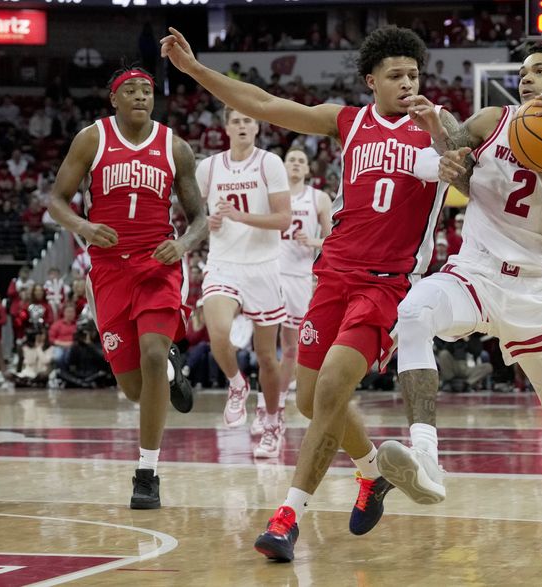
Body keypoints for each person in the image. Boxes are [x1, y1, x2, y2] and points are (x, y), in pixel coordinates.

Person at [161, 25, 452, 560]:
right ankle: (370, 475)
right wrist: (198, 72)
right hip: (334, 275)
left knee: (334, 390)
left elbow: (462, 160)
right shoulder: (350, 121)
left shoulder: (435, 124)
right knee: (309, 399)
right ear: (372, 81)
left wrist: (442, 135)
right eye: (396, 75)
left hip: (386, 285)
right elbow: (266, 103)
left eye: (414, 74)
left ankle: (286, 516)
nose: (408, 83)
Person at [375, 42, 542, 544]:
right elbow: (460, 163)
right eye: (523, 71)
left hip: (532, 288)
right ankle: (425, 455)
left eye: (540, 70)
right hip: (474, 269)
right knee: (415, 312)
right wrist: (440, 141)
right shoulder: (493, 118)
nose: (527, 77)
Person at [47, 65, 207, 509]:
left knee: (153, 353)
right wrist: (83, 225)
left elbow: (199, 219)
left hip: (158, 264)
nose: (140, 95)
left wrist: (184, 244)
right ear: (113, 98)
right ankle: (172, 373)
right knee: (136, 388)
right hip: (108, 269)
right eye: (130, 90)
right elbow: (57, 200)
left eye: (146, 90)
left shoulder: (175, 146)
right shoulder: (91, 139)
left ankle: (147, 472)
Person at [195, 106, 292, 459]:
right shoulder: (209, 167)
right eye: (235, 120)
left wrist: (239, 216)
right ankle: (237, 384)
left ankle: (271, 421)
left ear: (257, 127)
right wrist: (211, 221)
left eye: (247, 120)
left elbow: (283, 219)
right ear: (225, 127)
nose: (242, 125)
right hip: (223, 264)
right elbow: (195, 218)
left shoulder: (270, 163)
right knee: (218, 331)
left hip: (264, 267)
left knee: (267, 356)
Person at [276, 147, 332, 411]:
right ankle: (272, 392)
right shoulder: (273, 196)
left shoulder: (318, 198)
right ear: (284, 166)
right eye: (292, 160)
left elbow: (334, 240)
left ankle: (289, 389)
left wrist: (313, 241)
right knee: (265, 339)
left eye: (301, 161)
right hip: (271, 274)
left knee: (292, 344)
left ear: (308, 169)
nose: (296, 164)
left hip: (300, 277)